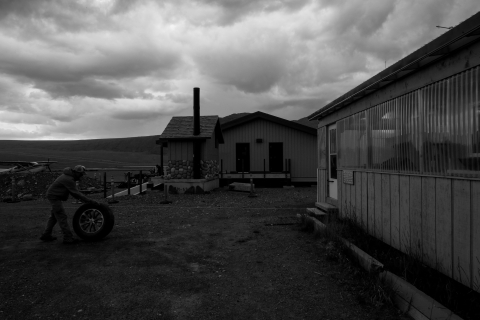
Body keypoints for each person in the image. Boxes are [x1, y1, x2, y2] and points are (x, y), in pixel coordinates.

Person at [40, 165, 99, 245]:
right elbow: (75, 193)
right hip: (54, 197)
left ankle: (46, 234)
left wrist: (86, 201)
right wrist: (89, 201)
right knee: (61, 216)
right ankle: (68, 238)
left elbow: (75, 194)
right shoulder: (68, 179)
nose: (81, 176)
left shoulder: (68, 177)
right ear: (76, 172)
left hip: (54, 196)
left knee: (54, 216)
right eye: (81, 174)